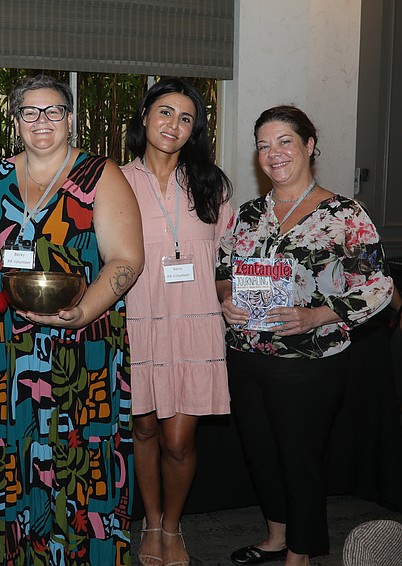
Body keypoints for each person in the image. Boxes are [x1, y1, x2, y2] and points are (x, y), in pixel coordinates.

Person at [0, 74, 144, 564]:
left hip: (80, 351)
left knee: (77, 464)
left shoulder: (100, 175)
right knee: (12, 462)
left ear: (70, 118)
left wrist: (82, 313)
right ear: (16, 120)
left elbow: (127, 261)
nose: (41, 121)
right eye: (30, 112)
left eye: (53, 111)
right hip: (6, 351)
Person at [216, 105, 393, 566]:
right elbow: (223, 270)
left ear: (309, 145)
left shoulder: (344, 213)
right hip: (247, 355)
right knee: (261, 456)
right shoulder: (250, 214)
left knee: (300, 462)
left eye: (284, 141)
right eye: (263, 145)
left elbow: (377, 286)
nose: (273, 153)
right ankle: (276, 537)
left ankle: (302, 552)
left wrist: (318, 315)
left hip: (310, 364)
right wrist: (227, 299)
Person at [121, 77, 234, 566]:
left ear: (196, 130)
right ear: (145, 117)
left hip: (196, 322)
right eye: (165, 112)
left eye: (186, 118)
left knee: (178, 438)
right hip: (137, 317)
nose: (174, 124)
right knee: (143, 430)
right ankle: (150, 523)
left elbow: (231, 257)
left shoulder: (213, 184)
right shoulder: (115, 180)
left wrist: (231, 296)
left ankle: (173, 525)